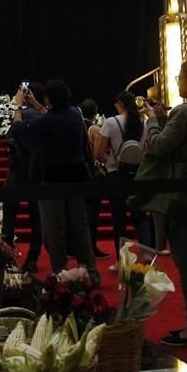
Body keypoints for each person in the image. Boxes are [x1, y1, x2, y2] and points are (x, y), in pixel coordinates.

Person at [142, 59, 187, 348]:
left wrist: (151, 122)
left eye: (181, 77)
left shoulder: (185, 111)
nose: (177, 81)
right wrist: (162, 120)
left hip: (180, 194)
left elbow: (159, 147)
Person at [9, 79, 99, 285]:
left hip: (52, 181)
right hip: (76, 180)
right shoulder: (75, 114)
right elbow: (51, 116)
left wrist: (18, 105)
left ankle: (61, 273)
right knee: (79, 226)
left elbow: (17, 129)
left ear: (49, 99)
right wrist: (37, 104)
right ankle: (91, 272)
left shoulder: (47, 122)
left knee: (53, 229)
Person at [94, 91, 151, 264]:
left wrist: (110, 162)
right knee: (140, 216)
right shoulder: (144, 123)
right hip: (139, 174)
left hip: (116, 175)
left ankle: (123, 261)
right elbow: (147, 150)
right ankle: (147, 254)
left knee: (119, 218)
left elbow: (98, 151)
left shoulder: (111, 122)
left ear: (120, 104)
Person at [2, 81, 46, 272]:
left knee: (9, 217)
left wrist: (18, 106)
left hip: (18, 172)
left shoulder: (24, 114)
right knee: (37, 219)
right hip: (37, 172)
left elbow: (13, 133)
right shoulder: (45, 117)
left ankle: (6, 255)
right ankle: (33, 258)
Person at [79, 98, 110, 260]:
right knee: (92, 214)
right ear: (95, 112)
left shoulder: (75, 125)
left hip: (77, 173)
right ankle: (91, 246)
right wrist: (109, 163)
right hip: (91, 174)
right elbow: (99, 152)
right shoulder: (93, 129)